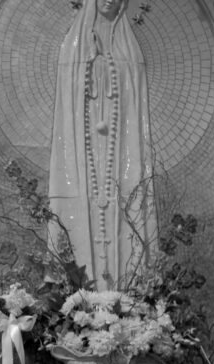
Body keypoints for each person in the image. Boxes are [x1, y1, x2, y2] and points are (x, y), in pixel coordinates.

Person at [48, 0, 157, 289]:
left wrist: (110, 64)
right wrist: (91, 65)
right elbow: (69, 97)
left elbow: (134, 100)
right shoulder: (74, 47)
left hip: (120, 145)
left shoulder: (127, 48)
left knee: (122, 205)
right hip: (83, 151)